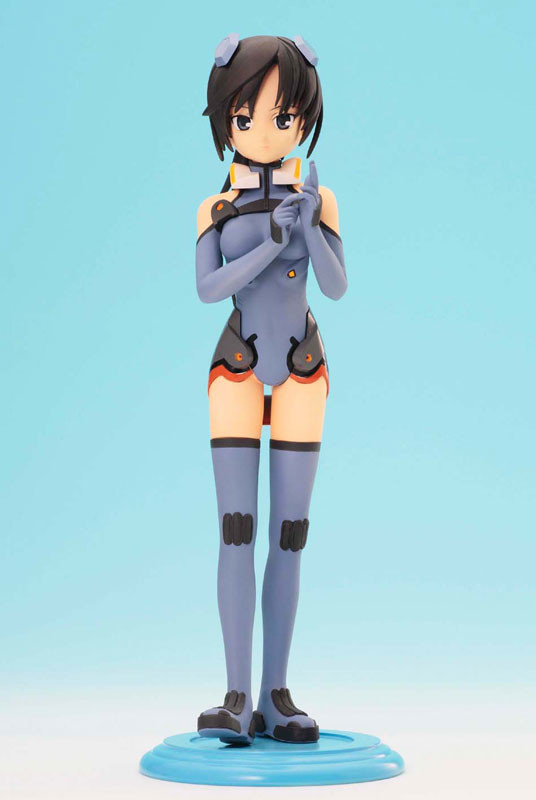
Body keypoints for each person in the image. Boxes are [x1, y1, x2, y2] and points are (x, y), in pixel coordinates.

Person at [195, 34, 347, 745]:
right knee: (236, 529)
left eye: (283, 116)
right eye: (245, 115)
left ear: (302, 119)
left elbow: (336, 286)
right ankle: (235, 693)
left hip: (302, 367)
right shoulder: (214, 207)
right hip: (236, 365)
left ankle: (275, 694)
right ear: (225, 118)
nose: (263, 130)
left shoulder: (319, 199)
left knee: (290, 536)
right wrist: (269, 242)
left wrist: (310, 225)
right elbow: (208, 289)